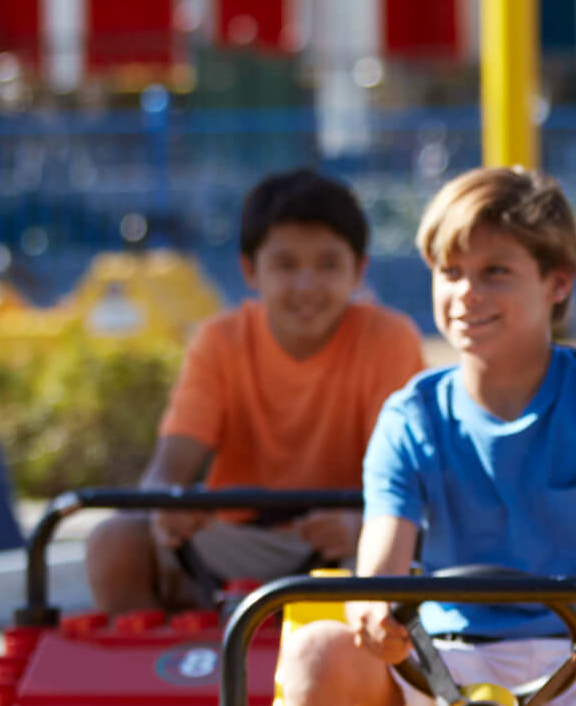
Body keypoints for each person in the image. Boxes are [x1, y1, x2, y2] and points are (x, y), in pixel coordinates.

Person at [275, 166, 576, 706]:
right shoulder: (411, 416)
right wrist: (372, 612)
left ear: (558, 284)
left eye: (495, 272)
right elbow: (379, 570)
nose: (466, 293)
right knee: (313, 651)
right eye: (451, 272)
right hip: (444, 666)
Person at [84, 168, 427, 614]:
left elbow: (410, 482)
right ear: (251, 270)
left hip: (345, 544)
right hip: (236, 544)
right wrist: (169, 506)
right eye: (286, 265)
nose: (306, 286)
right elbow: (167, 471)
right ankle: (156, 676)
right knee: (114, 542)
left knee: (390, 560)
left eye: (327, 264)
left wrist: (363, 523)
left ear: (358, 270)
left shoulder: (388, 339)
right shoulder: (220, 341)